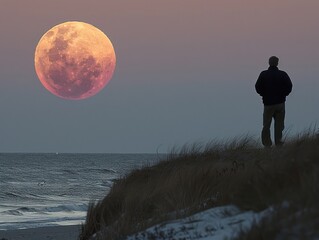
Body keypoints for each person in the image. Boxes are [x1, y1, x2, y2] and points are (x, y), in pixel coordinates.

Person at [255, 56, 293, 147]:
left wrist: (263, 94)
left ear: (269, 63)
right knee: (279, 125)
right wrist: (284, 95)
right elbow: (289, 86)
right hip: (280, 103)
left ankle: (267, 144)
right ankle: (279, 143)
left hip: (268, 104)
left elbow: (257, 87)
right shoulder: (282, 74)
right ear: (277, 63)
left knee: (266, 125)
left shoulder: (263, 74)